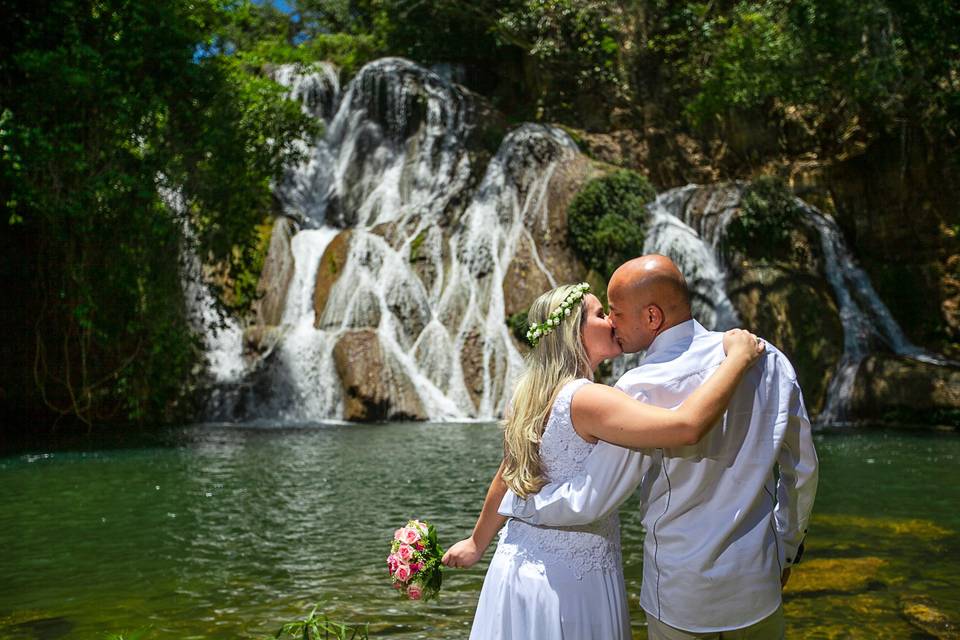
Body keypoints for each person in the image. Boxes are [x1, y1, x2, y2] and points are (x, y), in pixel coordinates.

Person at [492, 255, 819, 639]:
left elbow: (595, 498)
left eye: (615, 312)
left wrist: (523, 503)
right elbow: (802, 469)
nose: (612, 323)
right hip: (757, 582)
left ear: (652, 317)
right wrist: (786, 545)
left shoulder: (641, 387)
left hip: (680, 592)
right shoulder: (770, 360)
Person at [442, 279, 766, 639]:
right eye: (601, 314)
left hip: (515, 568)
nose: (613, 320)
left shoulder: (527, 397)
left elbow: (508, 473)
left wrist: (476, 544)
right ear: (574, 333)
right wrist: (737, 359)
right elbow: (686, 427)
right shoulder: (589, 399)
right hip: (571, 581)